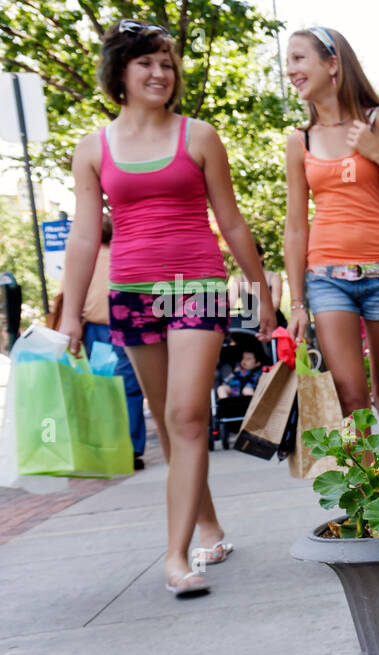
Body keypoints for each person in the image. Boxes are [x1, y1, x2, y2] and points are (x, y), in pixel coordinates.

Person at [58, 19, 275, 597]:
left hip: (195, 286)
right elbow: (84, 238)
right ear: (120, 75)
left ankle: (178, 557)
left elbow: (230, 221)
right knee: (168, 418)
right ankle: (207, 522)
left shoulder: (198, 136)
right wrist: (70, 313)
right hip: (132, 294)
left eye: (166, 64)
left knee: (186, 417)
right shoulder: (92, 147)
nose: (160, 74)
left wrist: (264, 291)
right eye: (146, 63)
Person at [283, 26, 379, 421]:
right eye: (288, 61)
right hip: (326, 278)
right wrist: (297, 303)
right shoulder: (299, 141)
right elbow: (296, 226)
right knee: (350, 394)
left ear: (332, 63)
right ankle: (370, 485)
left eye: (299, 58)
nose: (290, 70)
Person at [63, 214, 148, 469]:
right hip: (126, 326)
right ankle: (131, 449)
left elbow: (67, 295)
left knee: (103, 386)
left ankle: (110, 447)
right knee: (129, 388)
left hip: (98, 331)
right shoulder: (125, 253)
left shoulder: (83, 259)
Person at [227, 241, 285, 332]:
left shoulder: (273, 277)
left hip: (273, 322)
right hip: (249, 324)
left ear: (261, 257)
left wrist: (263, 313)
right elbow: (231, 300)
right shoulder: (239, 279)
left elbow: (276, 301)